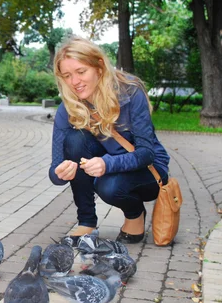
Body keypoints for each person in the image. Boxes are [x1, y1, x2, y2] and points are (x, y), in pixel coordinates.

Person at [49, 37, 170, 244]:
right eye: (67, 76)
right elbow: (54, 170)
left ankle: (134, 213)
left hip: (148, 169)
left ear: (99, 66)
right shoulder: (68, 106)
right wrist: (61, 174)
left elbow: (146, 153)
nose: (74, 82)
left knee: (109, 186)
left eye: (81, 72)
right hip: (107, 166)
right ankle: (86, 221)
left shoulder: (130, 91)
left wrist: (108, 164)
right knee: (74, 140)